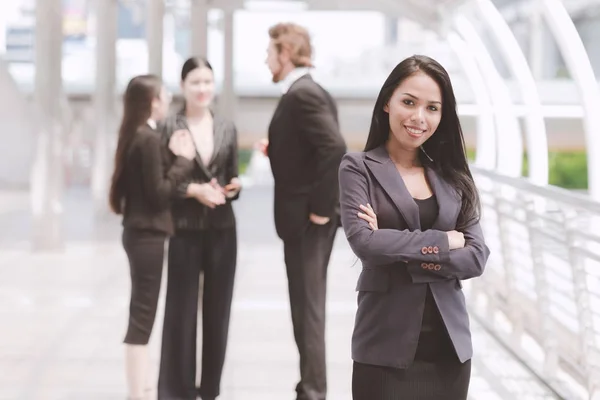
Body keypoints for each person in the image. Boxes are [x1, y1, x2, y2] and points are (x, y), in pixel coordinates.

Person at [338, 55, 490, 400]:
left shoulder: (453, 176)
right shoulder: (358, 168)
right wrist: (445, 241)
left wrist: (398, 248)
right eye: (409, 102)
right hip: (384, 346)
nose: (419, 117)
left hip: (449, 350)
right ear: (388, 103)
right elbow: (365, 244)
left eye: (432, 108)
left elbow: (477, 257)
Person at [259, 23, 346, 400]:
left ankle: (313, 391)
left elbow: (334, 147)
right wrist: (276, 149)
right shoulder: (313, 90)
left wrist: (321, 210)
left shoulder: (301, 95)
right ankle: (308, 385)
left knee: (308, 309)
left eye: (270, 53)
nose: (266, 59)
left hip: (308, 222)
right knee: (306, 305)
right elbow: (313, 149)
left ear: (286, 54)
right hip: (307, 219)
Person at [108, 74, 196, 400]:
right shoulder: (146, 138)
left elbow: (150, 185)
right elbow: (159, 193)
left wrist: (172, 158)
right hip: (147, 236)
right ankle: (138, 393)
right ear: (152, 101)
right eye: (164, 96)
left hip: (141, 234)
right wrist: (184, 161)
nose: (168, 101)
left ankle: (141, 389)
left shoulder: (140, 135)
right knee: (143, 317)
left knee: (142, 314)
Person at [157, 57, 241, 400]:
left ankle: (210, 390)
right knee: (181, 309)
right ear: (182, 86)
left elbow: (231, 175)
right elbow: (160, 183)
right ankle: (177, 390)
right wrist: (194, 190)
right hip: (184, 228)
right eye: (196, 82)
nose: (203, 88)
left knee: (218, 311)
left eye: (208, 81)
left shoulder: (226, 127)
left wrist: (230, 188)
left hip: (222, 228)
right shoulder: (168, 127)